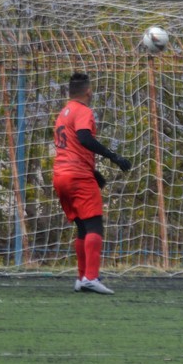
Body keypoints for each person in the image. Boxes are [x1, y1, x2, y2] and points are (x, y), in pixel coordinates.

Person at [53, 72, 132, 295]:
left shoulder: (63, 113)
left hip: (61, 175)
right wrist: (114, 157)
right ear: (88, 91)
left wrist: (93, 171)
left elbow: (72, 147)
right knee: (95, 225)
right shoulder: (83, 111)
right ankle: (91, 277)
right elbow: (84, 138)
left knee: (82, 227)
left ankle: (82, 278)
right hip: (77, 176)